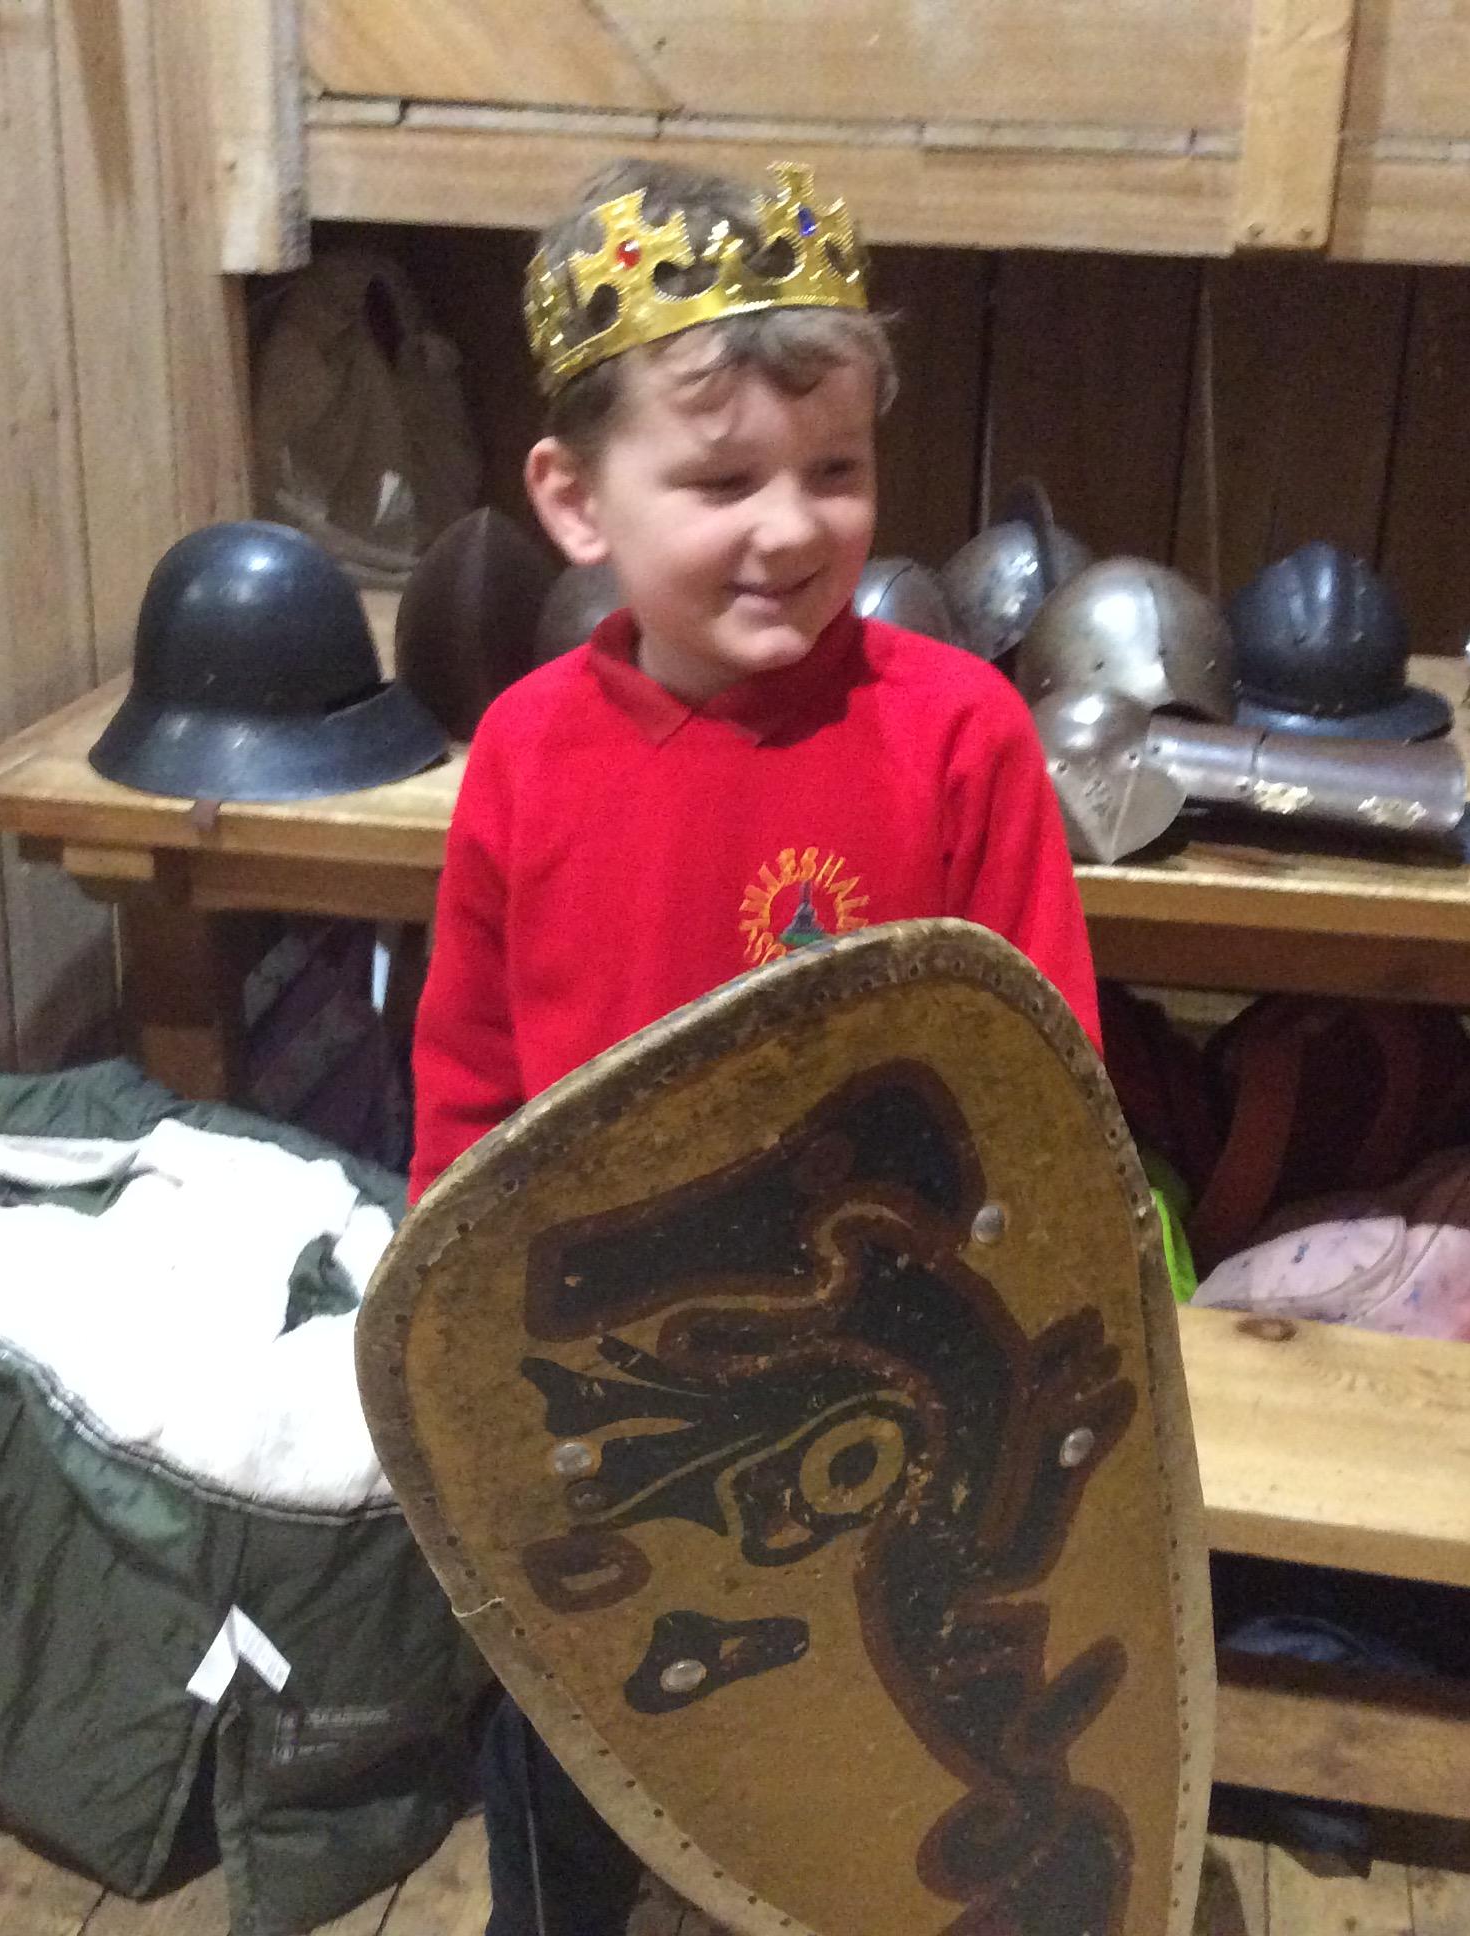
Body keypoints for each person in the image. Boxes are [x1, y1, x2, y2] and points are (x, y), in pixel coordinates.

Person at [407, 156, 1102, 1936]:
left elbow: (1045, 1082)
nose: (791, 529)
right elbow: (471, 1085)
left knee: (882, 1777)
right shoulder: (524, 757)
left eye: (836, 471)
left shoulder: (960, 736)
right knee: (569, 1763)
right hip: (610, 1381)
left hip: (893, 1374)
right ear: (576, 499)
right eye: (722, 482)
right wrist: (459, 1354)